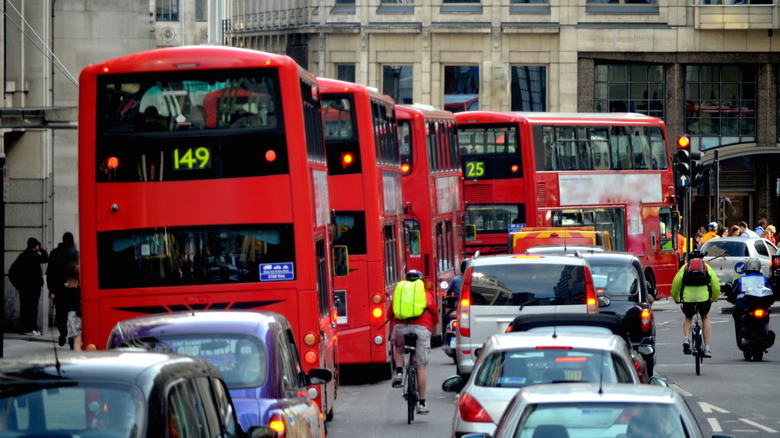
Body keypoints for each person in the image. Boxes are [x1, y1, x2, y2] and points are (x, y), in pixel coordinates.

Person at [388, 270, 439, 415]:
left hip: (400, 327)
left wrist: (391, 335)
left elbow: (391, 315)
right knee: (420, 367)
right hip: (421, 328)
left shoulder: (399, 294)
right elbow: (435, 316)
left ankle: (398, 372)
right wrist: (434, 334)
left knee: (398, 349)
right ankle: (422, 403)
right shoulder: (425, 294)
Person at [671, 250, 720, 357]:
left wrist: (676, 298)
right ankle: (707, 349)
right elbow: (716, 285)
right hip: (703, 298)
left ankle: (686, 339)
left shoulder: (685, 268)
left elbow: (675, 284)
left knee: (688, 317)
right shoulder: (706, 267)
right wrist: (714, 298)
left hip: (688, 298)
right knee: (705, 317)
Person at [728, 257, 771, 347]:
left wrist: (731, 299)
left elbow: (732, 294)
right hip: (762, 307)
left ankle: (740, 336)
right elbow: (772, 292)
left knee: (737, 316)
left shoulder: (740, 280)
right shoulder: (765, 279)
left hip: (743, 307)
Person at [10, 238, 49, 335]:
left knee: (25, 308)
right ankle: (30, 328)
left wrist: (18, 285)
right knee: (32, 308)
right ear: (35, 246)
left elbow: (12, 271)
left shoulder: (23, 256)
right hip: (33, 287)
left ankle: (26, 328)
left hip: (25, 287)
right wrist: (42, 250)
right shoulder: (33, 256)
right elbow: (46, 258)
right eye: (38, 245)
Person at [47, 232, 79, 346]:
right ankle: (71, 336)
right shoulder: (75, 253)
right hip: (72, 290)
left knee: (61, 313)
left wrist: (51, 290)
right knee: (72, 314)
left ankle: (63, 333)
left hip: (59, 289)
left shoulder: (55, 253)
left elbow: (50, 273)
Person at [62, 263, 82, 350]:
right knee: (78, 340)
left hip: (70, 316)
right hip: (77, 316)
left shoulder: (67, 288)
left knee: (75, 339)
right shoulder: (78, 289)